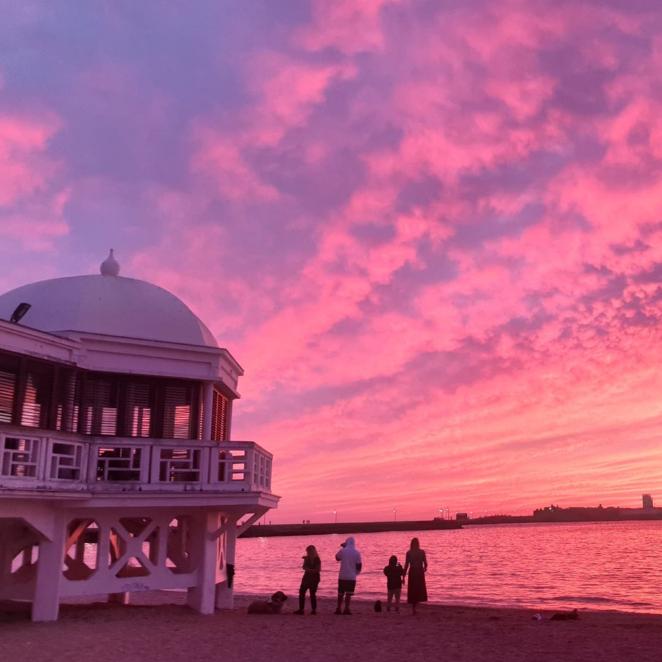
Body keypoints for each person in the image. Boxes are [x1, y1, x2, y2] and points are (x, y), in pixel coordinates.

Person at [335, 537, 362, 615]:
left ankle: (338, 608)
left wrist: (343, 548)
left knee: (340, 593)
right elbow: (359, 565)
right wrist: (356, 573)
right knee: (348, 594)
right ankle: (346, 608)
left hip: (342, 575)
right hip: (351, 576)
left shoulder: (343, 551)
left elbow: (337, 558)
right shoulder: (357, 552)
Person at [403, 537, 427, 615]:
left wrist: (403, 576)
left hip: (412, 571)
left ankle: (414, 608)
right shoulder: (422, 552)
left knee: (413, 590)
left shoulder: (409, 553)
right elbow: (425, 563)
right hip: (419, 571)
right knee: (418, 589)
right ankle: (415, 607)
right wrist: (424, 569)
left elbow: (406, 564)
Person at [294, 544, 321, 615]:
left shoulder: (317, 559)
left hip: (314, 578)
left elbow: (318, 570)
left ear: (313, 551)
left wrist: (309, 570)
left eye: (310, 551)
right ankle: (301, 609)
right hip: (306, 577)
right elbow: (303, 567)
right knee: (302, 592)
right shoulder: (307, 558)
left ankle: (313, 610)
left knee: (312, 594)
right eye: (308, 551)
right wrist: (309, 569)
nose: (308, 553)